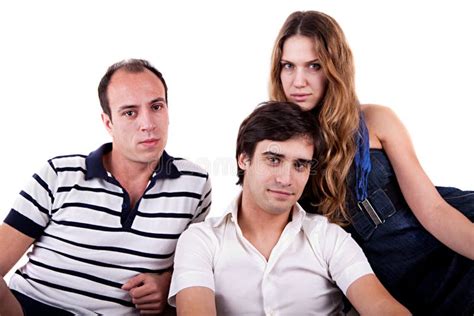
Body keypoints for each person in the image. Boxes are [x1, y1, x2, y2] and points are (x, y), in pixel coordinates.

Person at [269, 10, 474, 315]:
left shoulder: (375, 120)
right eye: (289, 66)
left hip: (452, 254)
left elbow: (433, 210)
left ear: (334, 67)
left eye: (314, 66)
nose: (298, 81)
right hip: (395, 291)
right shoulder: (280, 147)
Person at [0, 59, 212, 315]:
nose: (148, 124)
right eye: (130, 112)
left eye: (156, 106)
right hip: (30, 307)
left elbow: (189, 265)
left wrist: (166, 284)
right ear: (108, 122)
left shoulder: (195, 185)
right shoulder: (59, 175)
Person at [168, 101, 409, 315]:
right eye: (274, 159)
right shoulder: (200, 240)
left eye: (300, 165)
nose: (286, 179)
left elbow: (380, 307)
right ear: (244, 159)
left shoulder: (328, 238)